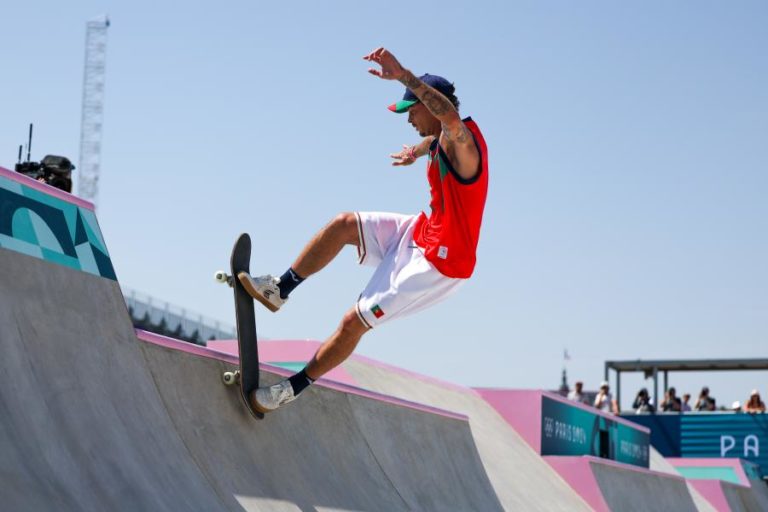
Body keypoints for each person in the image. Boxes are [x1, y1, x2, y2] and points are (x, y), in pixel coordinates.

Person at [238, 47, 489, 414]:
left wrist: (404, 74)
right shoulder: (439, 140)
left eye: (411, 111)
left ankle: (291, 389)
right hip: (421, 232)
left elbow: (448, 122)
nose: (407, 120)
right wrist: (415, 153)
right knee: (343, 224)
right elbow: (433, 137)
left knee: (352, 321)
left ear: (429, 105)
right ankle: (280, 289)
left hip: (439, 265)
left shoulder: (465, 143)